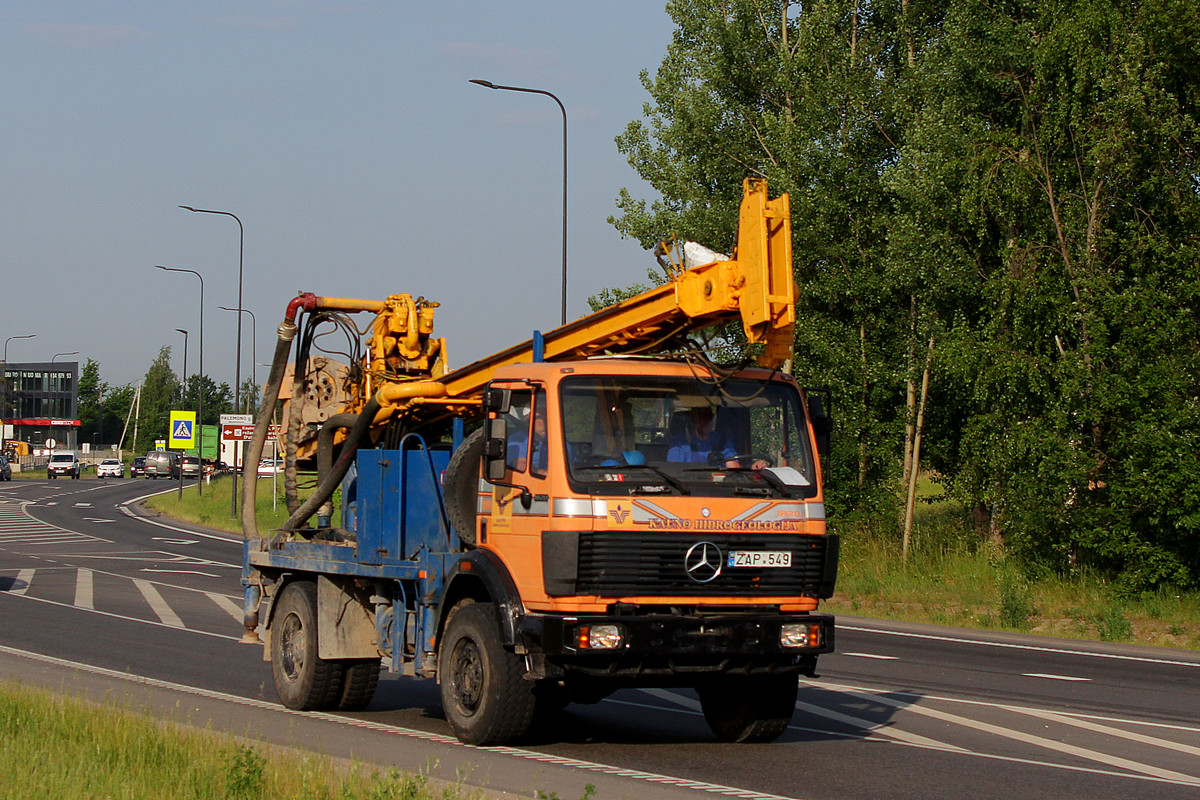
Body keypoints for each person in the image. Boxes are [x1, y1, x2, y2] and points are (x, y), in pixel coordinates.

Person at [667, 406, 738, 467]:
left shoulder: (723, 441)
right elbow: (674, 470)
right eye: (701, 417)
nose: (705, 422)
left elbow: (733, 468)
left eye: (709, 417)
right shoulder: (679, 443)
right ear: (693, 420)